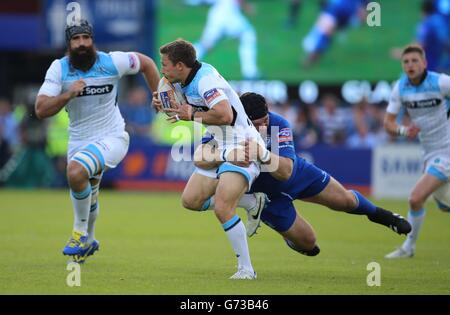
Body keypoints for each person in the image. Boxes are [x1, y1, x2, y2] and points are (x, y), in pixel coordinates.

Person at [193, 92, 412, 258]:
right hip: (266, 197)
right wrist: (225, 154)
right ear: (244, 121)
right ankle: (289, 235)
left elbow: (286, 171)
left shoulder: (278, 123)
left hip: (297, 174)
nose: (263, 128)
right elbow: (200, 157)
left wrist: (262, 153)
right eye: (257, 125)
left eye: (265, 121)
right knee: (309, 244)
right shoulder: (224, 127)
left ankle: (381, 215)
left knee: (344, 200)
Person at [35, 19, 160, 263]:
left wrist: (159, 96)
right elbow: (40, 109)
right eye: (76, 39)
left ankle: (79, 233)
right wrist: (69, 93)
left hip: (113, 137)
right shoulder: (59, 69)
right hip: (79, 141)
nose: (82, 43)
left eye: (86, 38)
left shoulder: (111, 62)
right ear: (69, 44)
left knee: (76, 171)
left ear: (92, 40)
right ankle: (89, 239)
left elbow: (146, 63)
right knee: (88, 190)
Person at [153, 39, 268, 279]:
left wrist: (192, 114)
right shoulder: (182, 80)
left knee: (224, 207)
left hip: (243, 144)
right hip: (220, 142)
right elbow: (182, 107)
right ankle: (250, 202)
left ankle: (247, 270)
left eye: (165, 64)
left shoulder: (205, 81)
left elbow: (225, 114)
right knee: (190, 200)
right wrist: (165, 106)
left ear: (181, 65)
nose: (162, 68)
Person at [384, 44, 450, 259]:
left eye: (415, 61)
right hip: (429, 152)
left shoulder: (440, 82)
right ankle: (409, 248)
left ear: (424, 63)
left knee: (415, 198)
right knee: (444, 204)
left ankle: (408, 247)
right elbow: (388, 123)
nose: (410, 65)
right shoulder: (400, 88)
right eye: (406, 62)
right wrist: (404, 130)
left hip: (447, 150)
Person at [194, 0, 260, 80]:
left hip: (216, 14)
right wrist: (247, 7)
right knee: (248, 35)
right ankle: (250, 73)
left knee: (205, 45)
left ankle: (184, 64)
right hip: (228, 13)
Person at [302, 0, 367, 67]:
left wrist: (360, 17)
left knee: (327, 32)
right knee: (326, 32)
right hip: (336, 8)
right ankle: (313, 56)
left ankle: (313, 56)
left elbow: (364, 11)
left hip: (347, 12)